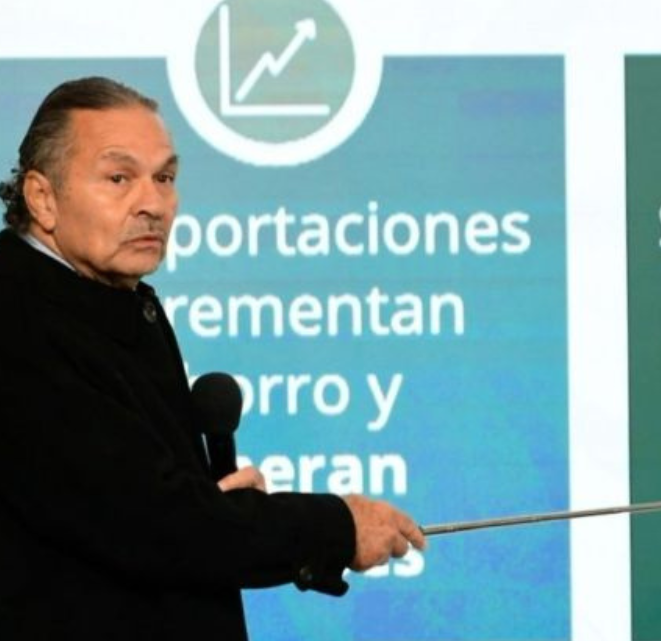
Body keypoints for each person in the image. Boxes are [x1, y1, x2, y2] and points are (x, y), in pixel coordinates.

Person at [0, 77, 427, 640]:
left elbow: (143, 508)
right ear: (42, 197)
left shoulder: (113, 301)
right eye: (119, 178)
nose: (153, 204)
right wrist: (337, 527)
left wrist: (218, 507)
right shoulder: (16, 320)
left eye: (165, 178)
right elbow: (150, 523)